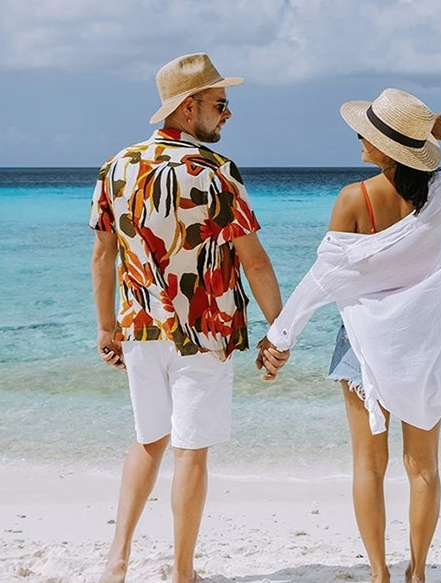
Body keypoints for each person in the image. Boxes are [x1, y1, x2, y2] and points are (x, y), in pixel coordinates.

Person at [260, 88, 441, 583]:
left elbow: (322, 279)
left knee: (368, 464)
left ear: (387, 148)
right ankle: (417, 572)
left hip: (364, 346)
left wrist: (281, 337)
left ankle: (380, 573)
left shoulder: (355, 199)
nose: (359, 137)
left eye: (370, 133)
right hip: (428, 347)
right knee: (423, 467)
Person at [90, 53, 285, 583]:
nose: (227, 115)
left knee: (147, 439)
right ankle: (182, 572)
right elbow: (255, 260)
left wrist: (106, 327)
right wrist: (281, 329)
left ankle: (118, 559)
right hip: (206, 330)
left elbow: (103, 256)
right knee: (190, 451)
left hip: (140, 327)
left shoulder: (117, 166)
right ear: (188, 105)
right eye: (220, 105)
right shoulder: (217, 172)